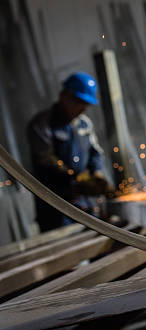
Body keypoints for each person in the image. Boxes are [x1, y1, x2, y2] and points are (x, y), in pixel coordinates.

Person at [27, 72, 111, 232]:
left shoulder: (84, 124)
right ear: (64, 96)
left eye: (86, 104)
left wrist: (97, 173)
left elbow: (95, 152)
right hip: (55, 206)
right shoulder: (43, 123)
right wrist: (76, 177)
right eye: (79, 102)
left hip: (84, 203)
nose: (83, 108)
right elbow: (46, 160)